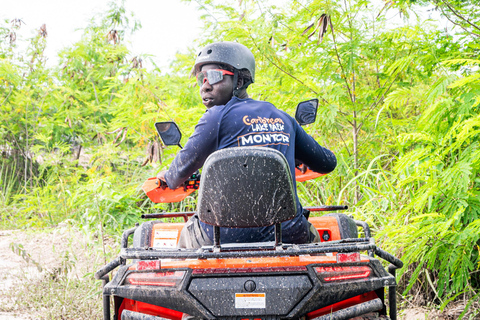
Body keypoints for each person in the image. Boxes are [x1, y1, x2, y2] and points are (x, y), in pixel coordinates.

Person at [157, 41, 337, 248]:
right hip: (287, 234)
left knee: (184, 241)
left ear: (240, 80)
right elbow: (327, 163)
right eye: (201, 79)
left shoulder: (215, 117)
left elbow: (177, 175)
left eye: (214, 76)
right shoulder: (283, 119)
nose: (205, 85)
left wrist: (168, 177)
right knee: (317, 244)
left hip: (220, 237)